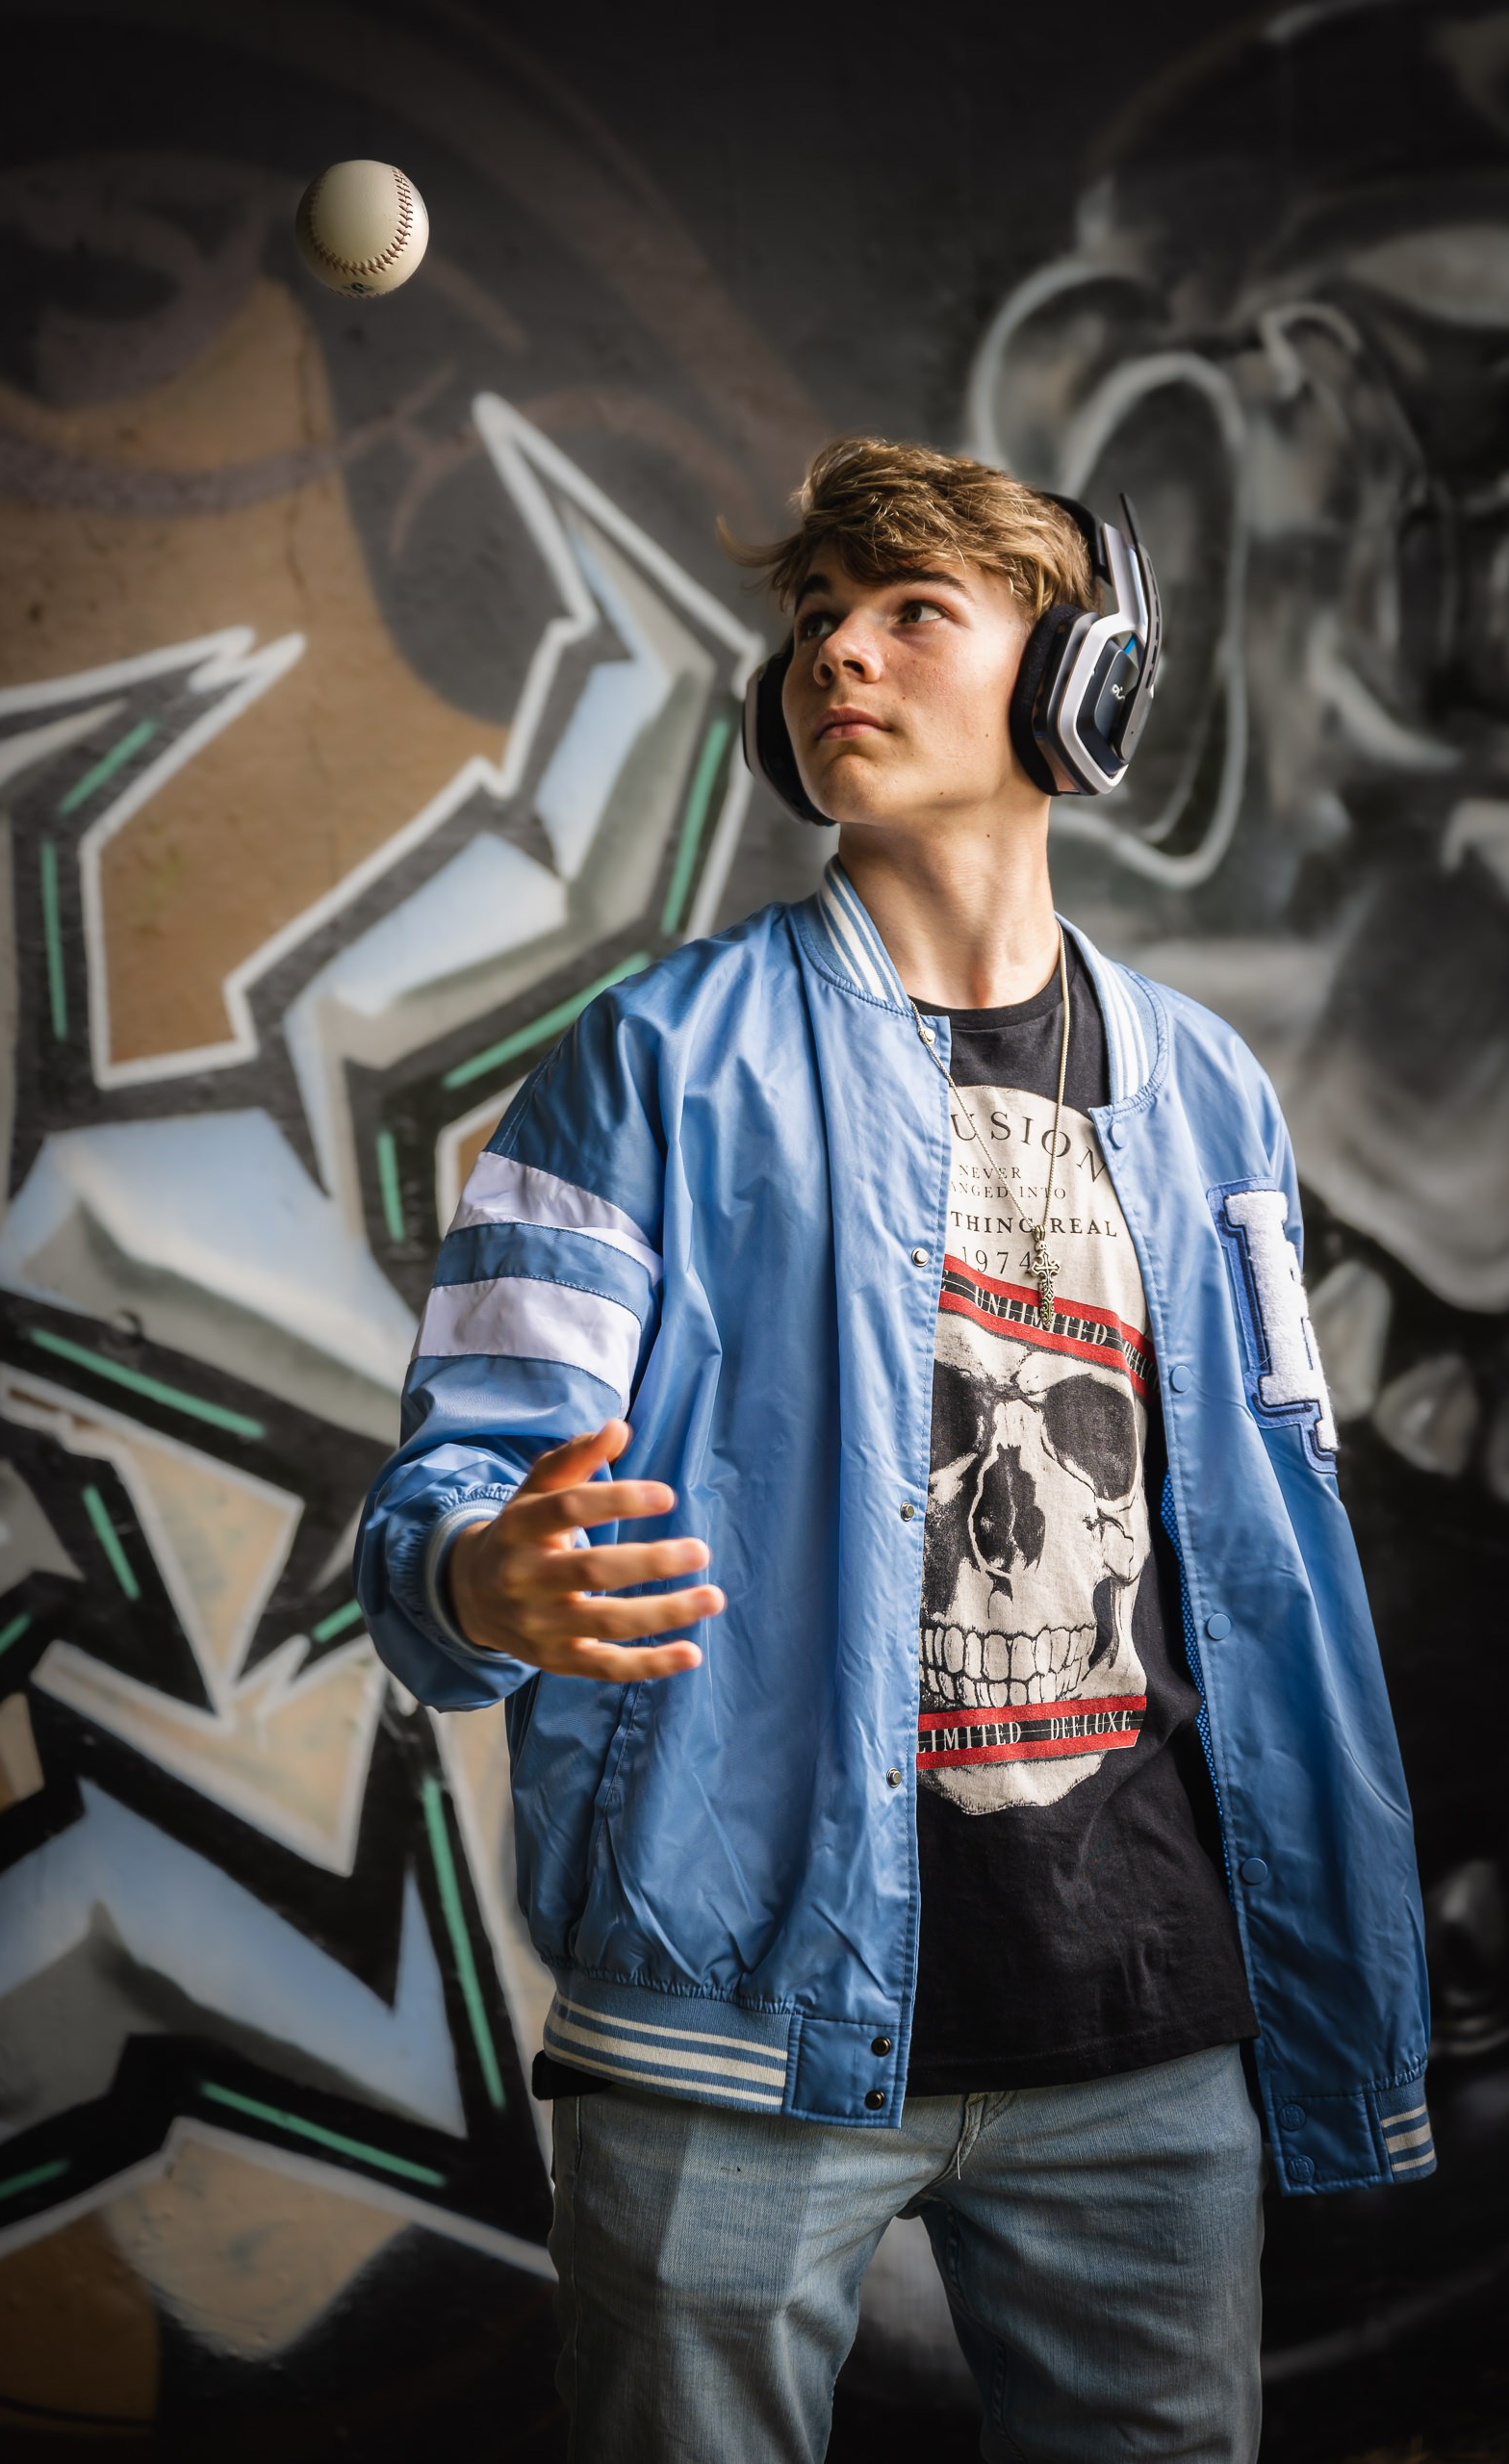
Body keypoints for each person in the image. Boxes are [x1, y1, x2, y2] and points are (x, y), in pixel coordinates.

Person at [355, 439, 1432, 2464]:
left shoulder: (1207, 1099)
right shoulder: (647, 1064)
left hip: (1139, 2024)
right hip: (734, 2020)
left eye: (910, 610)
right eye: (812, 622)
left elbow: (1273, 1544)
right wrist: (474, 1576)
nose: (834, 649)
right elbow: (448, 1499)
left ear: (1072, 686)